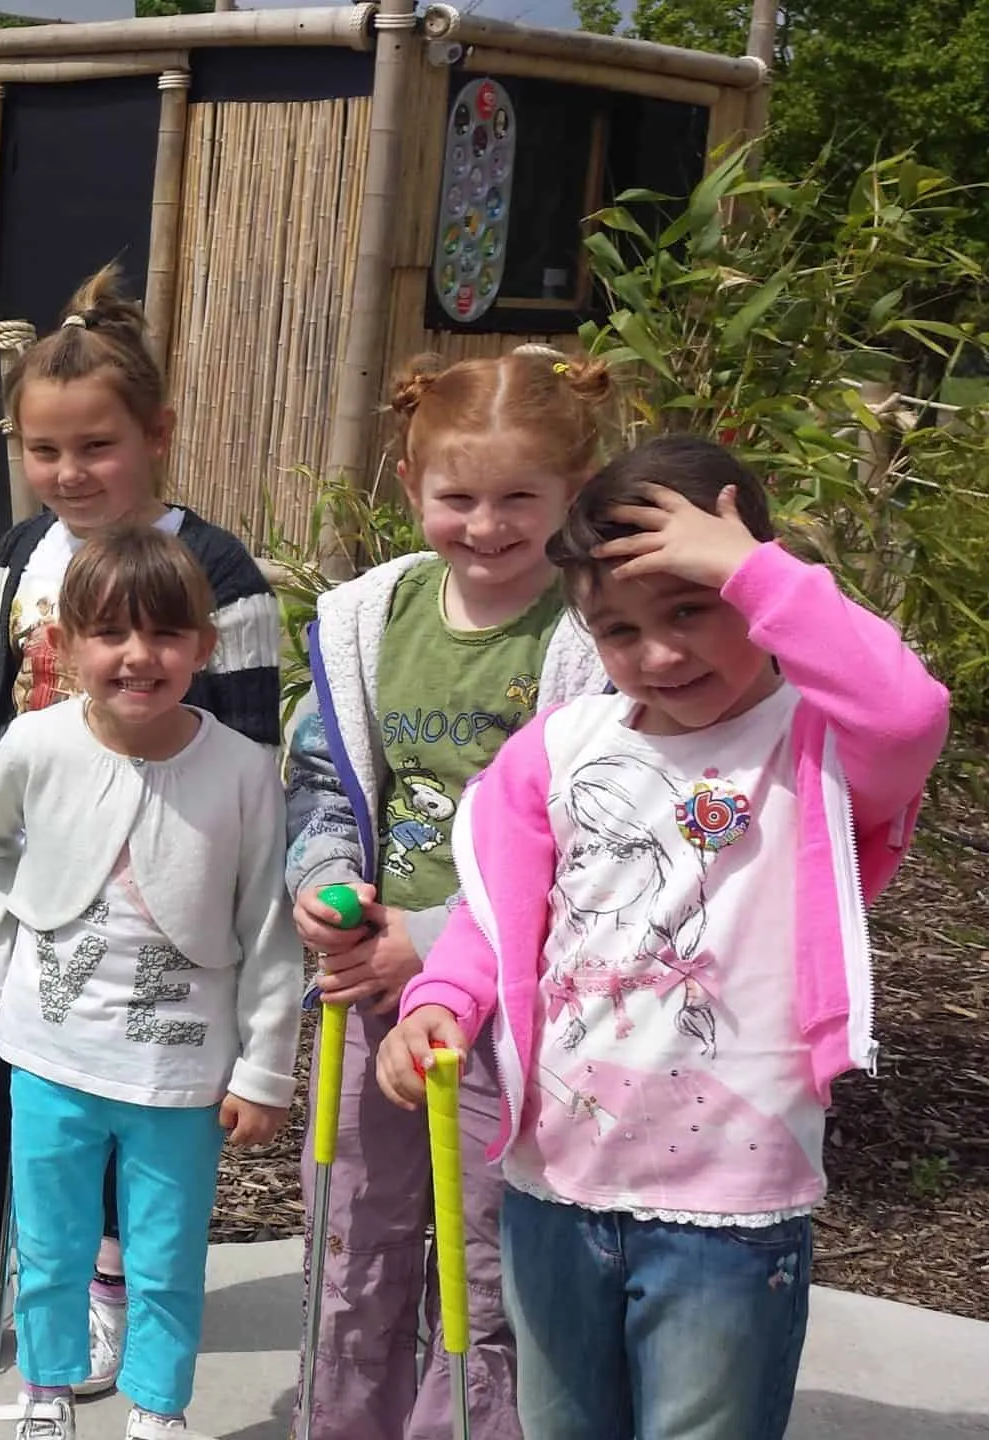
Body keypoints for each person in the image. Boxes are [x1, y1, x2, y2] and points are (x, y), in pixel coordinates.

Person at [377, 436, 949, 1440]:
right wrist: (438, 1004)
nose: (659, 654)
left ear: (756, 588)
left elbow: (908, 711)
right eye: (617, 629)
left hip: (729, 1197)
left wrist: (751, 567)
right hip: (552, 1180)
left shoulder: (814, 746)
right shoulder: (557, 748)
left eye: (692, 607)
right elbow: (497, 914)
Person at [0, 262, 281, 1385]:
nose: (67, 473)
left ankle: (108, 1286)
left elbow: (247, 742)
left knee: (122, 1087)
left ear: (155, 432)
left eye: (95, 447)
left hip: (153, 886)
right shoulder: (19, 556)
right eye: (42, 451)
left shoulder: (214, 571)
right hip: (24, 872)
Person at [286, 347, 617, 1440]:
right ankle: (340, 1421)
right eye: (456, 496)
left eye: (519, 497)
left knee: (482, 1256)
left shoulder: (593, 641)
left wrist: (426, 939)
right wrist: (326, 882)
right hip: (367, 985)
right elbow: (326, 780)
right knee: (353, 1234)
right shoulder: (370, 622)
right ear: (410, 482)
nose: (485, 524)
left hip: (516, 1011)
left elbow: (595, 844)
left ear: (573, 491)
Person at [0, 524, 299, 1440]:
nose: (138, 657)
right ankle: (47, 1389)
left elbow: (269, 923)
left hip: (177, 1076)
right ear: (66, 646)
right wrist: (3, 964)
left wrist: (265, 1067)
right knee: (54, 1240)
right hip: (51, 1054)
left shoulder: (239, 770)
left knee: (166, 1253)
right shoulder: (34, 744)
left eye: (164, 635)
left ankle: (157, 1406)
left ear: (203, 647)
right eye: (110, 633)